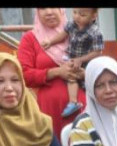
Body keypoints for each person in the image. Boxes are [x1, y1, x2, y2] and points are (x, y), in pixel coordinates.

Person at [17, 8, 87, 138]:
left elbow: (98, 68)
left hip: (82, 107)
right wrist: (56, 72)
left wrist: (84, 73)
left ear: (61, 10)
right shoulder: (30, 39)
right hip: (49, 110)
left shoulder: (80, 34)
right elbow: (23, 74)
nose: (49, 12)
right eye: (43, 8)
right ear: (37, 12)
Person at [40, 8, 103, 119]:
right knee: (71, 77)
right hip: (72, 59)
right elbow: (63, 34)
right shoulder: (72, 24)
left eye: (82, 15)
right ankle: (73, 102)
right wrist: (50, 42)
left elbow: (97, 52)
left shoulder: (95, 32)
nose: (77, 17)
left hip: (86, 62)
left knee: (85, 82)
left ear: (93, 16)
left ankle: (87, 105)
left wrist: (81, 59)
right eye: (74, 12)